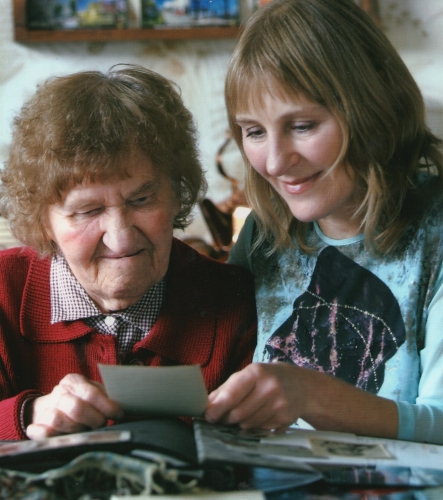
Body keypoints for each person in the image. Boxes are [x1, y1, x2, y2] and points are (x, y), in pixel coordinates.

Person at [204, 0, 443, 444]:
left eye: (302, 125)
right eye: (253, 132)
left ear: (372, 108)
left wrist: (311, 395)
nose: (275, 162)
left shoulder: (436, 231)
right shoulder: (262, 234)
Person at [0, 65, 256, 441]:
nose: (120, 240)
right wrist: (28, 415)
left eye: (142, 199)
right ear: (43, 220)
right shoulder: (5, 290)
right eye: (87, 211)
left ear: (177, 195)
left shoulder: (233, 300)